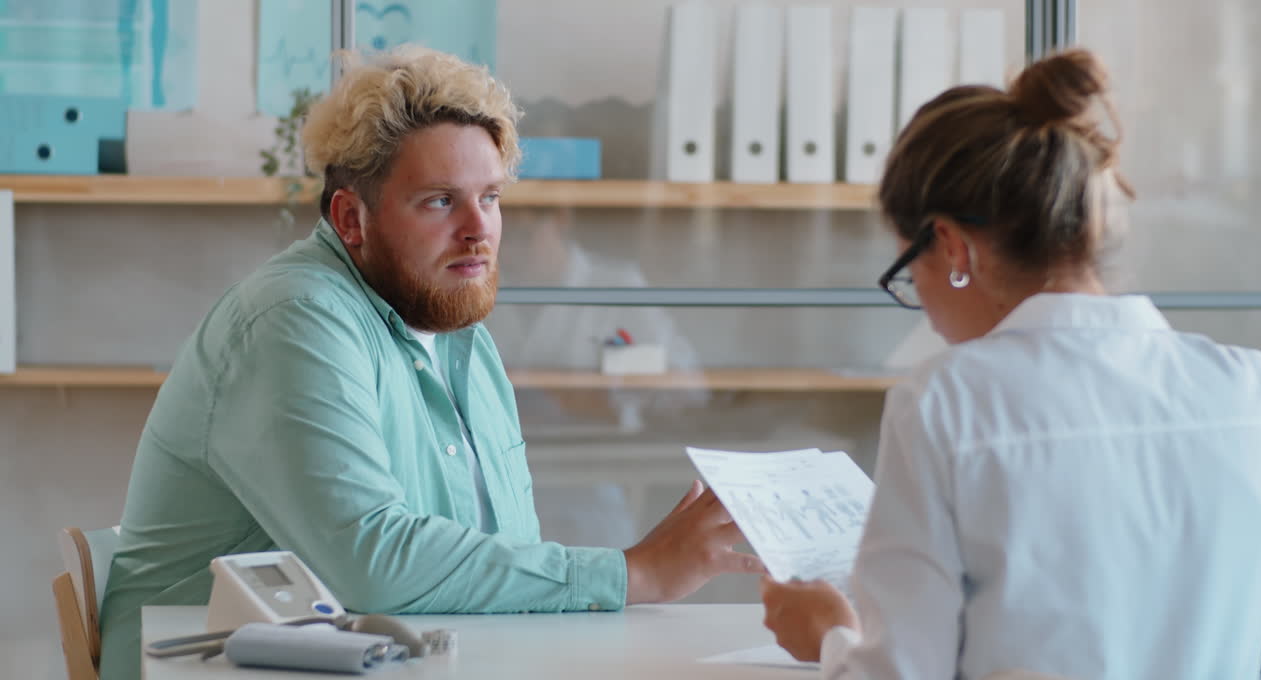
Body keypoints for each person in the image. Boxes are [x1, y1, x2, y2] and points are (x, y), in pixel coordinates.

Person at [98, 46, 763, 680]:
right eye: (441, 201)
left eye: (492, 198)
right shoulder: (294, 318)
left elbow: (500, 547)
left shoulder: (458, 334)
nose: (479, 229)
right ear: (351, 220)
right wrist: (634, 573)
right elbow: (374, 564)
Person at [760, 48, 1261, 679]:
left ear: (951, 247)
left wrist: (829, 636)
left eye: (907, 273)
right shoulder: (1252, 391)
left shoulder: (944, 404)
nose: (918, 302)